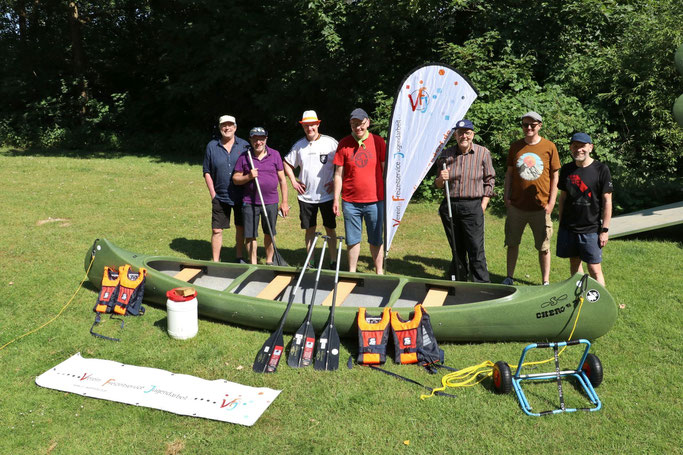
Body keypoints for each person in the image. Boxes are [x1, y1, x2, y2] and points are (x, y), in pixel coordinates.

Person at [502, 111, 560, 285]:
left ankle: (545, 281)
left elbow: (556, 176)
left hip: (540, 207)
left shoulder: (549, 147)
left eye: (532, 125)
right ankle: (509, 277)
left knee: (543, 247)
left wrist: (551, 203)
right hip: (517, 206)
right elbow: (509, 174)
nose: (528, 128)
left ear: (539, 126)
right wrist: (506, 196)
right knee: (512, 243)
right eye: (525, 125)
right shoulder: (516, 146)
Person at [435, 119, 495, 282]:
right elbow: (438, 184)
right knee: (457, 247)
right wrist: (441, 178)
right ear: (455, 135)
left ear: (472, 134)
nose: (464, 136)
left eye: (467, 133)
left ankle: (481, 283)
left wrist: (483, 204)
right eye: (460, 133)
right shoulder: (446, 154)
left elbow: (490, 180)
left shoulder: (483, 153)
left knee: (475, 247)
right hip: (450, 205)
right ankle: (459, 279)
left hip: (473, 205)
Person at [333, 108, 386, 274]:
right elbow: (338, 174)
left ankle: (379, 272)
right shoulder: (344, 144)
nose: (358, 127)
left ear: (367, 123)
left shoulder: (378, 142)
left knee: (376, 238)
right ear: (351, 124)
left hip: (375, 201)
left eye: (361, 123)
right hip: (350, 202)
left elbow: (385, 172)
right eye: (354, 124)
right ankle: (352, 272)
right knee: (352, 239)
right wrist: (336, 199)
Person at [557, 132, 613, 286]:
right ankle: (580, 299)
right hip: (569, 228)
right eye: (575, 146)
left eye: (582, 146)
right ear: (571, 148)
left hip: (591, 229)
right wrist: (561, 223)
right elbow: (563, 198)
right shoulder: (567, 169)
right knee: (575, 265)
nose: (578, 149)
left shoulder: (601, 170)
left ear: (590, 147)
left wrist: (605, 230)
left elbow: (607, 201)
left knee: (594, 268)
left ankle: (602, 303)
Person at [283, 110, 338, 267]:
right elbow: (286, 163)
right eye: (306, 125)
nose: (310, 128)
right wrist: (294, 181)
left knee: (330, 228)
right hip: (306, 196)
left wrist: (335, 180)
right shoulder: (299, 146)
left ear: (318, 124)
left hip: (327, 195)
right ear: (303, 126)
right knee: (309, 230)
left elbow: (344, 163)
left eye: (312, 125)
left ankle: (333, 260)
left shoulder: (330, 143)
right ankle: (311, 261)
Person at [232, 127, 290, 265]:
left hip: (271, 201)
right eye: (255, 139)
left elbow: (282, 180)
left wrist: (285, 202)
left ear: (266, 139)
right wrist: (249, 176)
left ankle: (270, 261)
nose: (258, 142)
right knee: (250, 235)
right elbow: (235, 178)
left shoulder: (275, 155)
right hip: (249, 202)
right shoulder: (244, 156)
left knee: (269, 232)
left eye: (261, 139)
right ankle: (253, 263)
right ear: (251, 140)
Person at [203, 115, 251, 262]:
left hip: (241, 194)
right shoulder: (212, 146)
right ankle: (216, 261)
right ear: (220, 128)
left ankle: (239, 257)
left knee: (240, 227)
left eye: (230, 125)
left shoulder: (244, 146)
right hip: (220, 195)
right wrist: (213, 194)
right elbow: (207, 171)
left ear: (235, 127)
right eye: (224, 125)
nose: (227, 128)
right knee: (217, 230)